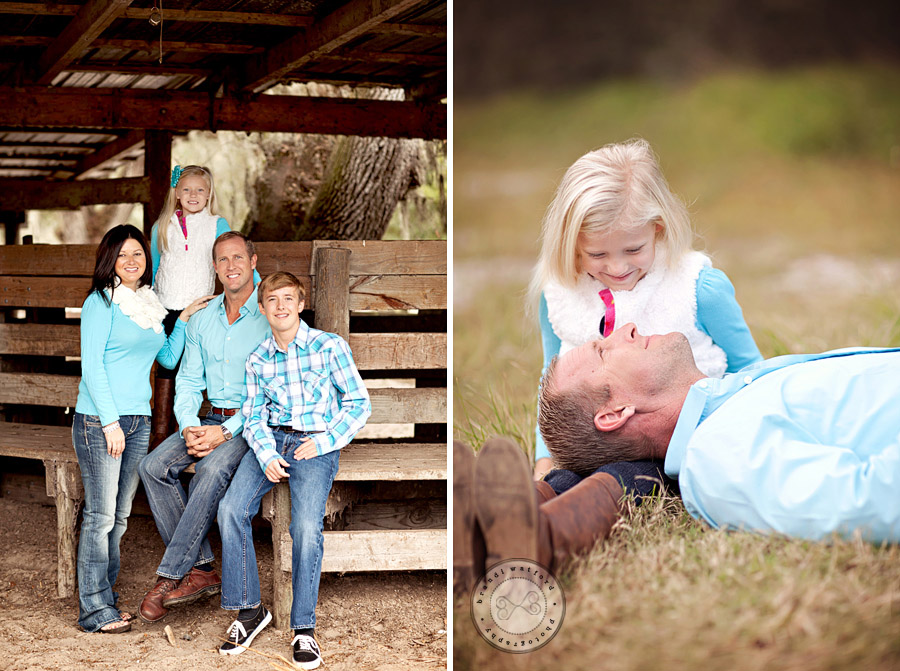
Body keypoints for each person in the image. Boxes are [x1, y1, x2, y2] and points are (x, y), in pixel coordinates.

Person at [455, 325, 900, 590]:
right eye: (604, 350)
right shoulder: (719, 454)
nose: (625, 330)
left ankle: (489, 520)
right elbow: (873, 503)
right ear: (614, 413)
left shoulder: (736, 397)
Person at [527, 139, 761, 486]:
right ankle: (536, 501)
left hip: (688, 439)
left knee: (628, 479)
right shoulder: (560, 297)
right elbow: (554, 381)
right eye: (597, 255)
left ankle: (569, 508)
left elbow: (749, 368)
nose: (618, 267)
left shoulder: (699, 288)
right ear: (572, 245)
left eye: (633, 249)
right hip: (601, 440)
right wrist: (543, 459)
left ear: (658, 228)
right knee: (565, 478)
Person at [216, 271, 371, 669]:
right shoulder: (258, 359)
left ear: (301, 304)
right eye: (273, 300)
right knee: (231, 509)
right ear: (262, 307)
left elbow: (358, 404)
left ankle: (303, 628)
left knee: (304, 526)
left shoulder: (328, 346)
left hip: (317, 443)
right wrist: (266, 454)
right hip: (272, 441)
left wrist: (321, 442)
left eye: (288, 299)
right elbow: (253, 417)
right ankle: (250, 611)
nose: (281, 306)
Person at [73, 224, 211, 633]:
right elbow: (92, 366)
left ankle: (105, 597)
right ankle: (94, 612)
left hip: (139, 419)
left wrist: (183, 318)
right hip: (101, 420)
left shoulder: (148, 302)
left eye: (138, 254)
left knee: (119, 517)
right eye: (123, 255)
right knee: (100, 516)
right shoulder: (100, 302)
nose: (132, 261)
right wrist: (110, 421)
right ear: (109, 260)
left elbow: (166, 358)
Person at [137, 231, 270, 623]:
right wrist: (191, 425)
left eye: (238, 258)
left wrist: (226, 433)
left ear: (253, 261)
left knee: (210, 470)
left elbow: (270, 391)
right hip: (206, 418)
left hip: (249, 423)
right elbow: (190, 380)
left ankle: (170, 575)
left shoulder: (268, 314)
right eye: (223, 260)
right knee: (152, 467)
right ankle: (203, 567)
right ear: (214, 267)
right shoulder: (204, 318)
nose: (231, 266)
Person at [148, 164, 231, 446]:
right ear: (176, 192)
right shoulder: (162, 226)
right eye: (186, 189)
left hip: (200, 309)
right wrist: (147, 304)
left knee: (194, 369)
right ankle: (161, 433)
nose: (193, 194)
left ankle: (194, 429)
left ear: (209, 195)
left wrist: (257, 289)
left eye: (200, 190)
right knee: (166, 368)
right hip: (165, 308)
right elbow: (154, 269)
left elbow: (231, 258)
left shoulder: (217, 225)